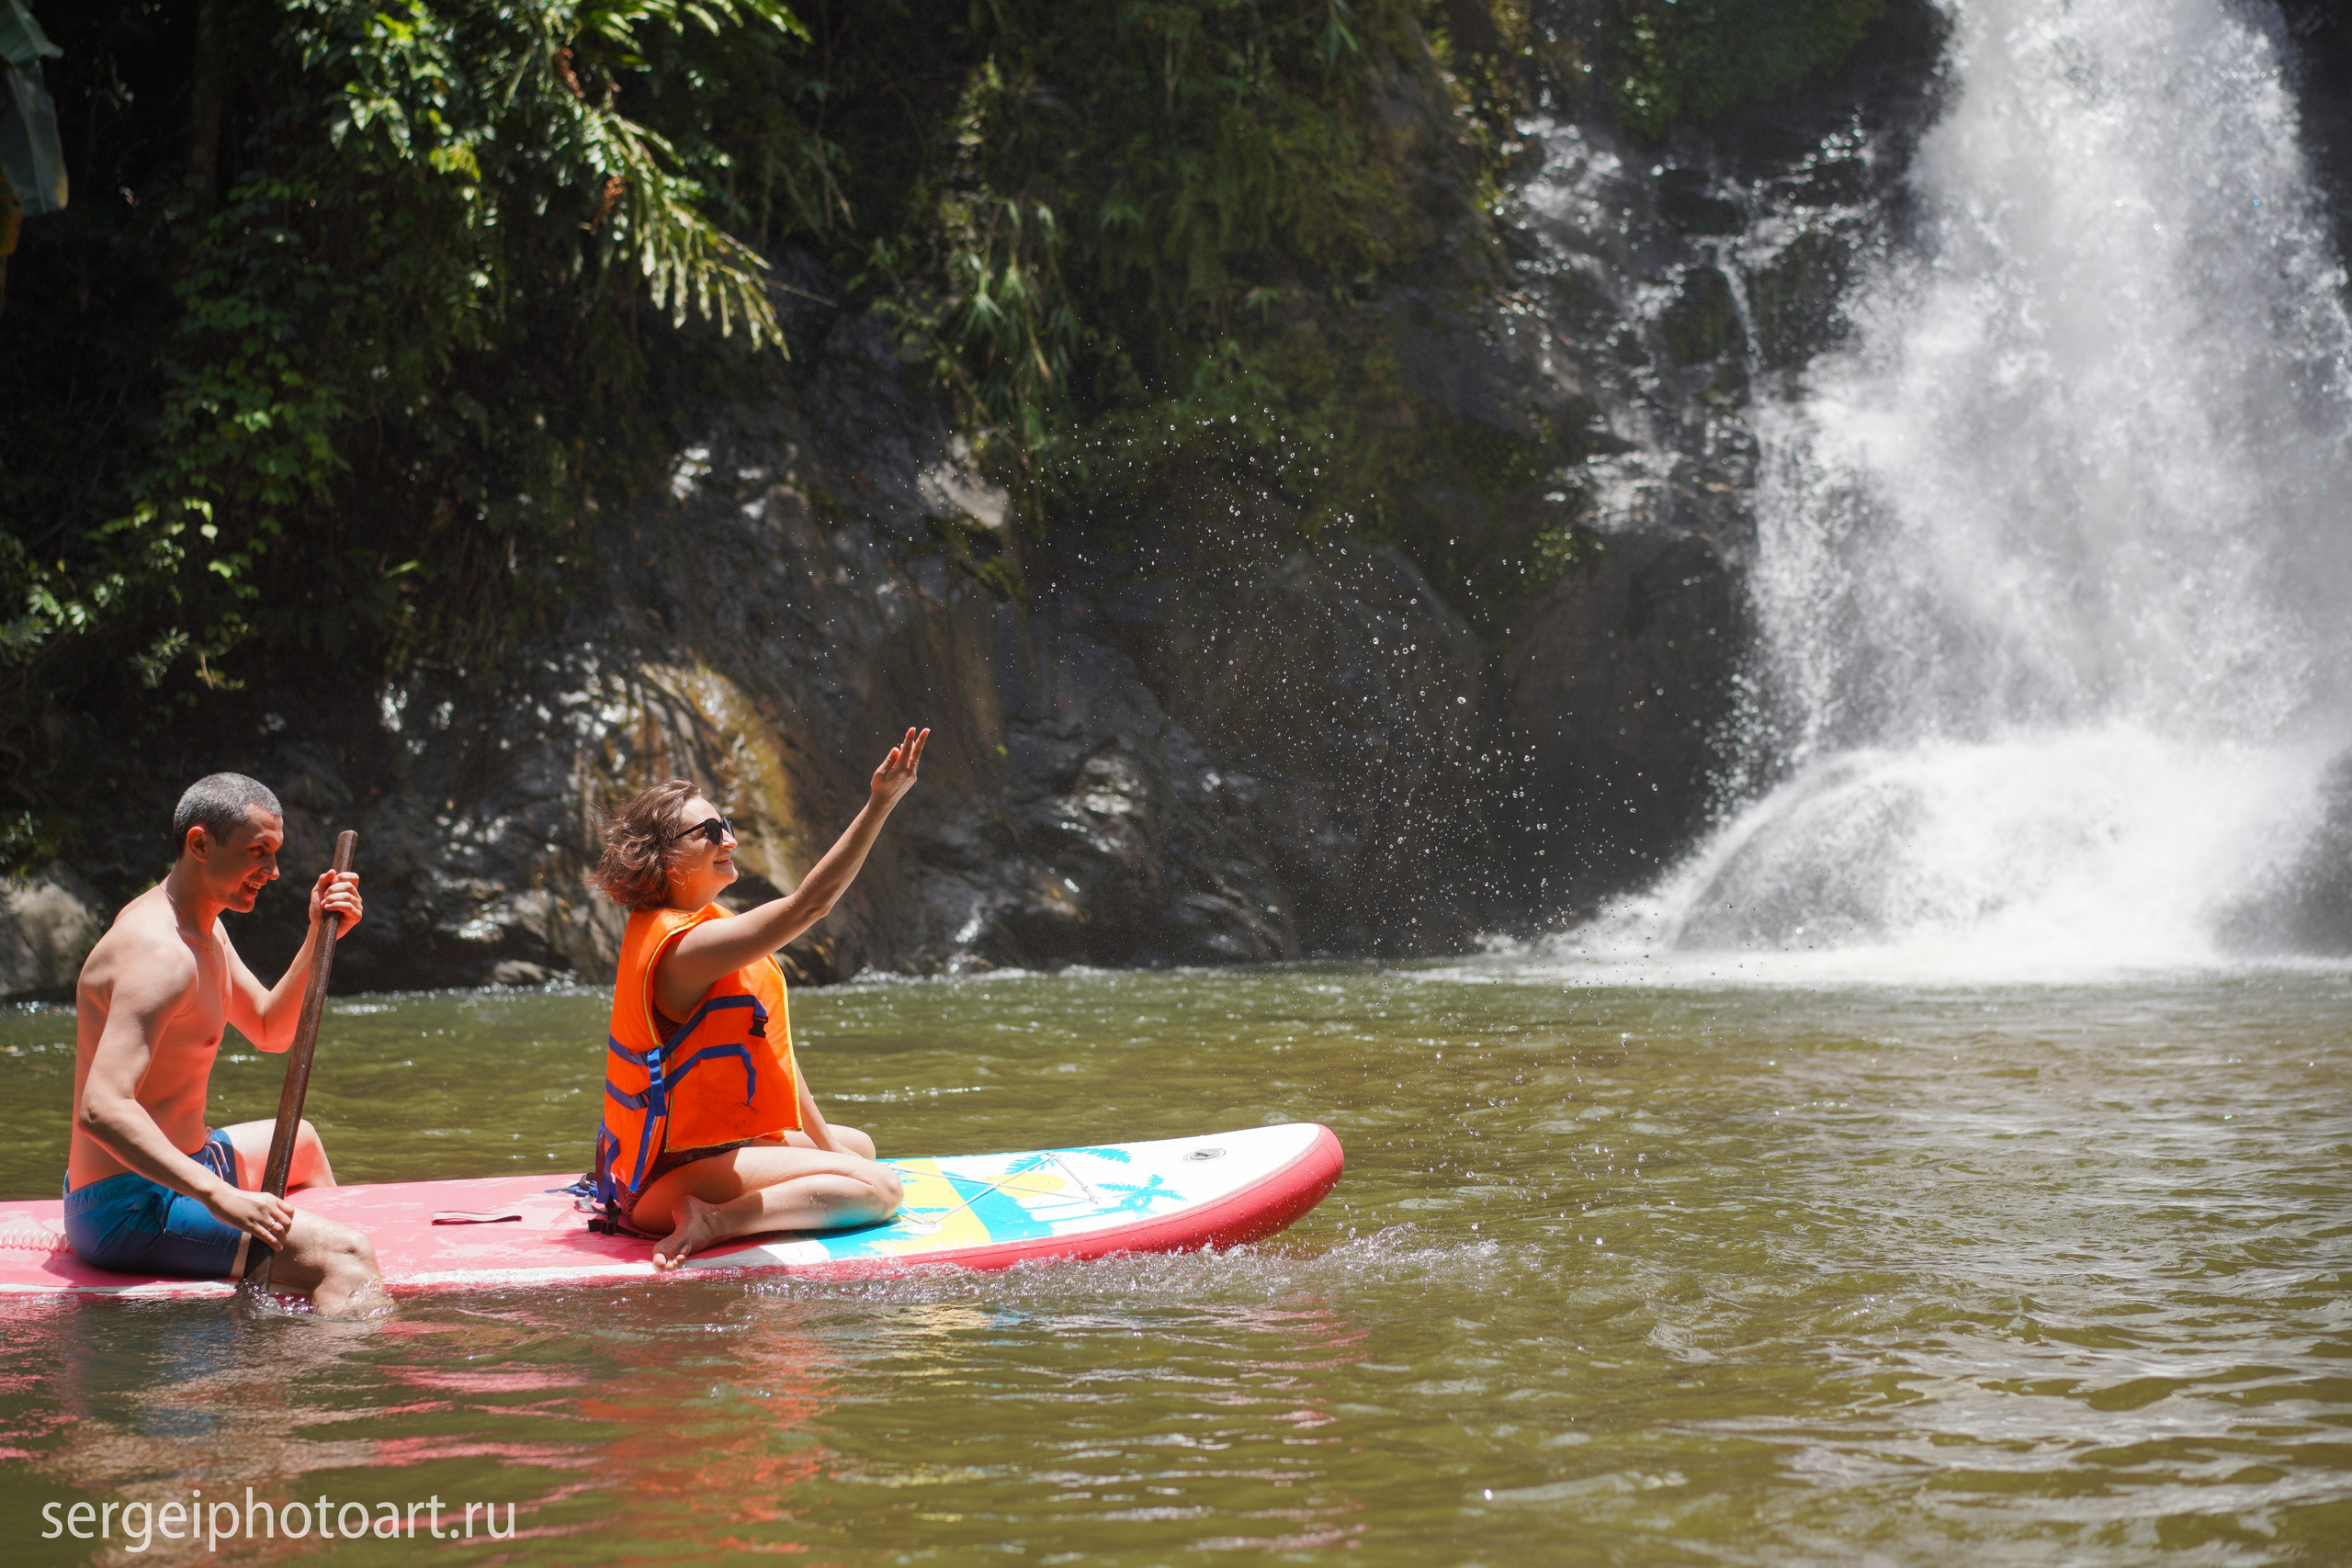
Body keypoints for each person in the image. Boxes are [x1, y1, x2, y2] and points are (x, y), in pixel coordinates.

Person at [590, 728, 928, 1269]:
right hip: (660, 1180)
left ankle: (744, 1197)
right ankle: (714, 1220)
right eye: (708, 831)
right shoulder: (685, 948)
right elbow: (808, 906)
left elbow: (771, 1054)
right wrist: (879, 804)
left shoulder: (705, 926)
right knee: (881, 1189)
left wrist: (826, 1147)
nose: (729, 839)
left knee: (856, 1148)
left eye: (725, 825)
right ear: (663, 857)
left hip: (696, 1154)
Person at [66, 773, 383, 1314]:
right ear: (199, 844)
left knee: (301, 1140)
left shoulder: (206, 929)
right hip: (128, 1203)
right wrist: (221, 1196)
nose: (274, 872)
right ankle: (301, 1375)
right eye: (258, 853)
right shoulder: (158, 954)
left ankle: (291, 1275)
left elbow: (269, 1028)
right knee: (350, 1258)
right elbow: (101, 1108)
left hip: (189, 1161)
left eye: (276, 854)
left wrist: (318, 934)